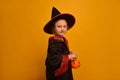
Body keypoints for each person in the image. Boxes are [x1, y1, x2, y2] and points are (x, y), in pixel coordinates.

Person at [43, 7, 78, 80]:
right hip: (58, 75)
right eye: (59, 27)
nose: (62, 29)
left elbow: (61, 52)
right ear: (53, 28)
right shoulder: (54, 43)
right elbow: (53, 60)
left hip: (65, 72)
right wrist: (69, 57)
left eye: (64, 26)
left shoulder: (63, 40)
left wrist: (69, 53)